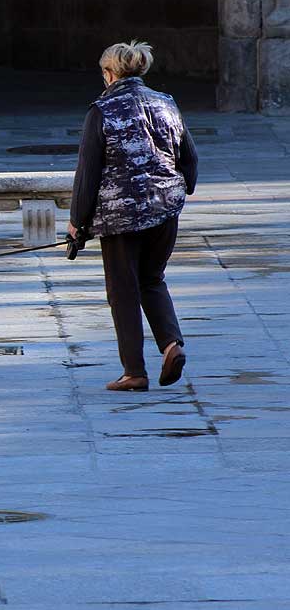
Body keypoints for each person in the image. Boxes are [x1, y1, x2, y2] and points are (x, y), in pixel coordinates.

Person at [69, 41, 198, 392]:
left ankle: (134, 372)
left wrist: (77, 223)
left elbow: (87, 174)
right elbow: (189, 158)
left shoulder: (102, 109)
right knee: (152, 279)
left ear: (109, 74)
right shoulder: (166, 103)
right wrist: (179, 191)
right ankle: (172, 345)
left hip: (120, 216)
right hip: (165, 209)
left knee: (123, 291)